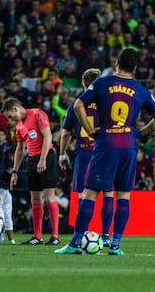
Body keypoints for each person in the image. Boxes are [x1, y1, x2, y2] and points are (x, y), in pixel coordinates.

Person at [55, 48, 155, 255]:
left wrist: (89, 130)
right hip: (129, 145)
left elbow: (79, 105)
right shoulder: (141, 90)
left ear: (116, 63)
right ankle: (115, 245)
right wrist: (139, 134)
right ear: (135, 67)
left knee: (89, 194)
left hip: (107, 143)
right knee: (123, 196)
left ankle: (75, 243)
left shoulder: (103, 83)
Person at [59, 68, 114, 247]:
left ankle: (80, 235)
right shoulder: (107, 102)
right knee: (107, 192)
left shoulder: (76, 104)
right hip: (105, 152)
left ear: (83, 84)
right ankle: (106, 236)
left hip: (84, 152)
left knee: (84, 195)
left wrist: (62, 154)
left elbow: (66, 133)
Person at [2, 97, 60, 246]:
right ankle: (37, 236)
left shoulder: (37, 114)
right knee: (35, 198)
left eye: (10, 116)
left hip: (47, 156)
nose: (11, 119)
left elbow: (47, 136)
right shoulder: (19, 126)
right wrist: (14, 171)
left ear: (15, 108)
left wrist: (43, 159)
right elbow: (20, 149)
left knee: (49, 197)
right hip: (32, 160)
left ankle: (55, 236)